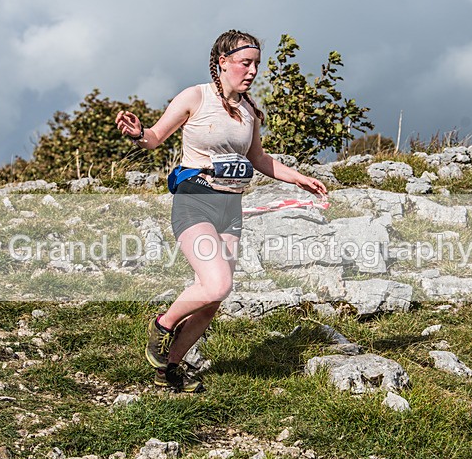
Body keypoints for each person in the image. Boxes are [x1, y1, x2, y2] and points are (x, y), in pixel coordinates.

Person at [115, 30, 328, 392]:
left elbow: (258, 158)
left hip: (230, 209)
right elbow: (153, 138)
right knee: (217, 283)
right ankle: (162, 326)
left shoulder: (249, 112)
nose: (252, 71)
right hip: (194, 200)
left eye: (257, 64)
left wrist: (298, 178)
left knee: (212, 300)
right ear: (222, 63)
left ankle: (169, 370)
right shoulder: (195, 97)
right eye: (245, 63)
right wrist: (138, 134)